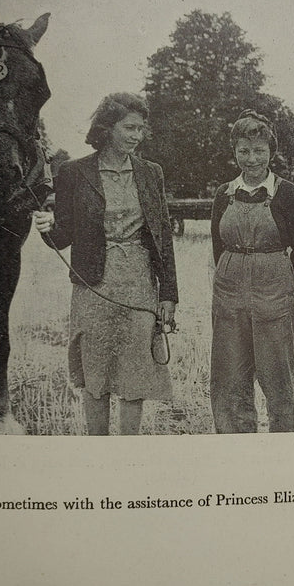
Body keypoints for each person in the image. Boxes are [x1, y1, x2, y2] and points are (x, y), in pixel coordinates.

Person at [34, 93, 177, 436]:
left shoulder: (150, 173)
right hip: (93, 284)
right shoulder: (73, 172)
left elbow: (163, 235)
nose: (136, 135)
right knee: (95, 374)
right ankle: (98, 449)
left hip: (140, 282)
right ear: (107, 128)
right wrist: (45, 228)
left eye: (141, 129)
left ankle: (127, 452)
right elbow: (62, 235)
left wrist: (169, 294)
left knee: (135, 373)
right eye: (129, 127)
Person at [210, 110, 294, 433]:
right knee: (229, 381)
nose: (251, 159)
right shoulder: (223, 194)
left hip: (273, 297)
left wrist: (280, 290)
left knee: (279, 380)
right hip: (229, 297)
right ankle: (236, 448)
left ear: (271, 151)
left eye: (259, 150)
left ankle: (284, 452)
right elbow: (217, 245)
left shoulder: (288, 193)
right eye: (243, 150)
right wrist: (234, 275)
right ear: (234, 152)